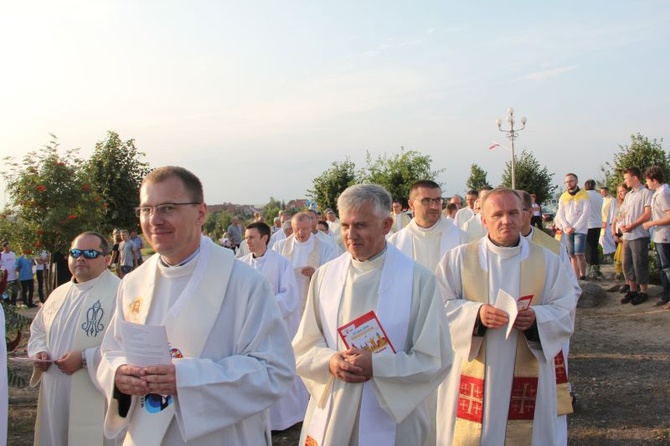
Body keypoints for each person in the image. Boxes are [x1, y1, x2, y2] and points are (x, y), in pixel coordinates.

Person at [97, 166, 295, 445]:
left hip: (220, 436)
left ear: (200, 213)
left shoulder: (244, 282)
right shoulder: (132, 282)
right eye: (146, 209)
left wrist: (186, 378)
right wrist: (119, 374)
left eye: (167, 208)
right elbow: (112, 350)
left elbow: (274, 371)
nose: (154, 220)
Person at [293, 184, 452, 445]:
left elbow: (435, 358)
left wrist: (377, 365)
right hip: (335, 407)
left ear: (386, 225)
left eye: (361, 225)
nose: (350, 235)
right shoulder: (325, 276)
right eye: (345, 226)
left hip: (393, 415)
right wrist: (330, 361)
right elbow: (304, 346)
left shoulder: (418, 279)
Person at [435, 188, 576, 445]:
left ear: (524, 216)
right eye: (497, 214)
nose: (506, 220)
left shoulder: (548, 260)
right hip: (475, 370)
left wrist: (537, 318)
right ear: (483, 219)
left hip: (529, 369)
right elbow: (438, 308)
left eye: (512, 213)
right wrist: (476, 314)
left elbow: (565, 309)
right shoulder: (456, 260)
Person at [27, 232, 121, 445]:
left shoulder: (119, 293)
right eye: (75, 253)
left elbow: (125, 344)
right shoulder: (59, 293)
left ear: (107, 260)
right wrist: (39, 351)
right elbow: (38, 330)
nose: (80, 258)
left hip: (96, 390)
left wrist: (85, 358)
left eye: (89, 253)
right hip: (56, 390)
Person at [238, 221, 307, 430]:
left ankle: (288, 417)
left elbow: (289, 297)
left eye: (251, 237)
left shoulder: (281, 263)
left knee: (280, 369)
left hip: (276, 327)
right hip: (250, 330)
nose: (247, 241)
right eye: (246, 237)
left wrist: (262, 305)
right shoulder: (240, 264)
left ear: (264, 238)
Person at [388, 180, 468, 272]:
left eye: (437, 200)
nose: (434, 206)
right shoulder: (396, 243)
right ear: (411, 204)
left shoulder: (461, 239)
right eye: (426, 201)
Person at [273, 212, 339, 309]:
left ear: (311, 227)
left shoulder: (326, 247)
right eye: (297, 229)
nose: (301, 233)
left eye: (304, 229)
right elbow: (272, 272)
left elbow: (334, 272)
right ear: (292, 227)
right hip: (287, 303)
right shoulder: (280, 247)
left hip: (314, 301)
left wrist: (315, 273)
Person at [614, 167, 652, 305]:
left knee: (639, 263)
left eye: (626, 178)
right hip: (627, 235)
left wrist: (633, 225)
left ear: (635, 178)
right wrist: (622, 225)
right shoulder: (629, 195)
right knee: (627, 263)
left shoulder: (645, 193)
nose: (625, 181)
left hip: (639, 234)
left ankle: (643, 291)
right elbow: (623, 212)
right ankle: (633, 289)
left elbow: (647, 214)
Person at [555, 173, 592, 280]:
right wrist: (566, 227)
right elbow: (560, 214)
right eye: (566, 182)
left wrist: (575, 227)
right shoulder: (563, 197)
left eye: (571, 181)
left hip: (580, 229)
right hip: (568, 229)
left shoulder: (584, 195)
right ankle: (574, 277)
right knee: (572, 254)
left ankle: (583, 274)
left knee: (579, 253)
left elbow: (586, 214)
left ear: (576, 181)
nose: (569, 183)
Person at [642, 166, 670, 308]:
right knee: (662, 267)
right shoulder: (658, 192)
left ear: (654, 180)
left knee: (667, 267)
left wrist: (651, 223)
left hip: (665, 235)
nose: (646, 184)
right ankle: (665, 294)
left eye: (647, 180)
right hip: (659, 235)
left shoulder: (664, 193)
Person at [584, 179, 604, 278]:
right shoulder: (599, 196)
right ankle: (596, 266)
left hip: (588, 224)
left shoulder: (585, 196)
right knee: (594, 247)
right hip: (598, 223)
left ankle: (591, 267)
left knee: (588, 248)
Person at [599, 187, 616, 260]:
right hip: (602, 222)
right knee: (602, 238)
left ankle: (612, 252)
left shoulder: (612, 200)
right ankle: (605, 252)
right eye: (601, 192)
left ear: (607, 191)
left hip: (609, 221)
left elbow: (613, 210)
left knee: (608, 237)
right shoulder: (601, 200)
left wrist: (612, 221)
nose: (602, 193)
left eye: (604, 192)